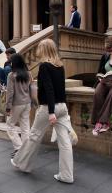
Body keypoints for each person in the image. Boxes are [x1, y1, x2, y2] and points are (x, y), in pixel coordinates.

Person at [11, 39, 74, 184]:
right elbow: (60, 89)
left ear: (43, 50)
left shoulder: (44, 66)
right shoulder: (60, 66)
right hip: (62, 107)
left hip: (48, 108)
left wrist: (51, 111)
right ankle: (67, 175)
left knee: (34, 136)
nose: (38, 51)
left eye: (40, 48)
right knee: (65, 143)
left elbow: (49, 89)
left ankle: (22, 163)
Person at [91, 36, 112, 135]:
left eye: (111, 50)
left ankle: (103, 122)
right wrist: (100, 78)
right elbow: (100, 71)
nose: (109, 52)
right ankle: (97, 121)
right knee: (97, 93)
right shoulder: (105, 56)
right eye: (107, 50)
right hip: (106, 80)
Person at [6, 53, 32, 157]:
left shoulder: (11, 75)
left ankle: (18, 148)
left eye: (11, 61)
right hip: (27, 102)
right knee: (25, 127)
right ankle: (26, 149)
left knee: (10, 125)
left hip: (17, 103)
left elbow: (10, 92)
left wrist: (8, 106)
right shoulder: (28, 74)